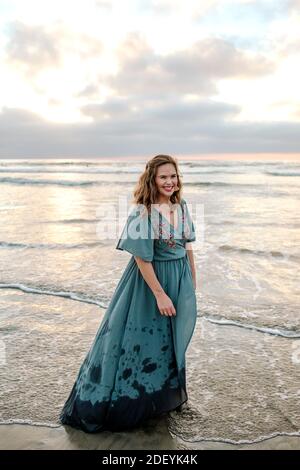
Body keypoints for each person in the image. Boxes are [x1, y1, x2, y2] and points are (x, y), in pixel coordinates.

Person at [59, 154, 197, 433]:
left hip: (179, 278)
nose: (170, 182)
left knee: (169, 340)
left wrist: (192, 281)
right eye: (163, 177)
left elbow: (188, 245)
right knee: (140, 340)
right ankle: (129, 403)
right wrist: (159, 294)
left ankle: (159, 399)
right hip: (150, 284)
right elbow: (141, 259)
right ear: (152, 180)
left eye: (173, 176)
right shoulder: (142, 213)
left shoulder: (181, 205)